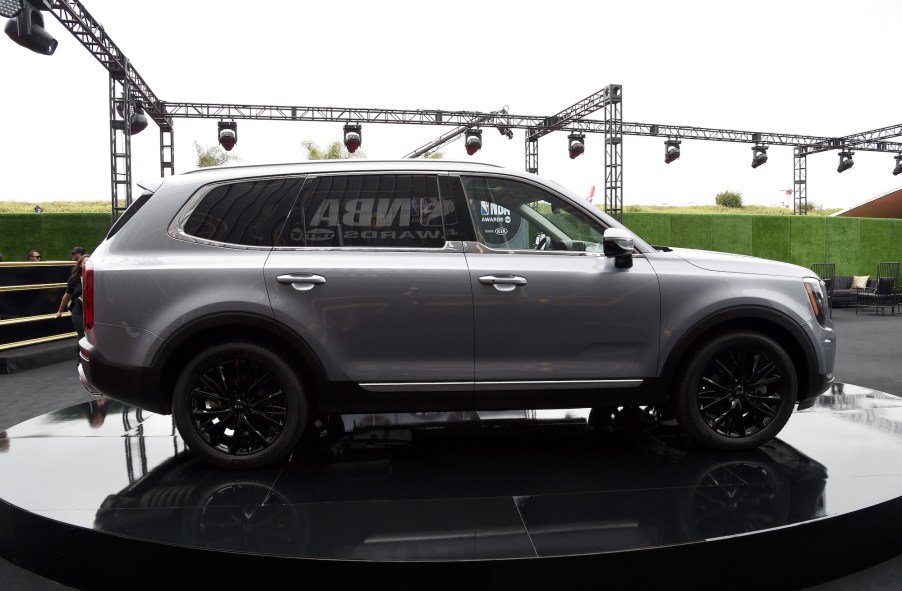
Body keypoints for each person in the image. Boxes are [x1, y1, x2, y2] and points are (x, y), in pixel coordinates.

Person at [55, 255, 89, 341]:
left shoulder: (98, 277)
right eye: (86, 262)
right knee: (82, 336)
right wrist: (60, 311)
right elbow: (67, 296)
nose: (88, 265)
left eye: (90, 263)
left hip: (94, 311)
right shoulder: (74, 279)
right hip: (79, 310)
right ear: (80, 265)